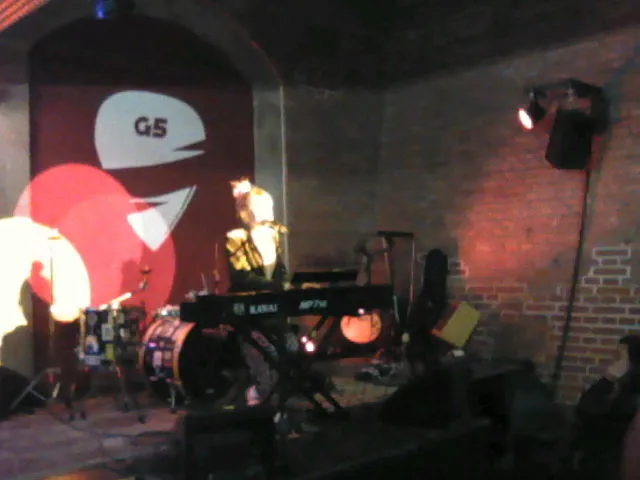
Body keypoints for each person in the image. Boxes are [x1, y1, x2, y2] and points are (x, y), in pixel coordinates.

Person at [225, 178, 290, 406]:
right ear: (247, 210)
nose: (267, 210)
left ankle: (275, 404)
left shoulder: (274, 235)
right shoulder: (237, 238)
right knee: (263, 358)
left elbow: (278, 269)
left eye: (268, 205)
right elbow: (241, 276)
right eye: (261, 206)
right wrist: (274, 287)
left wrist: (287, 284)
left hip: (273, 309)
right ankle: (256, 399)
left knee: (288, 352)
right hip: (250, 311)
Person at [573, 334, 640, 479]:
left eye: (622, 356)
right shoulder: (621, 386)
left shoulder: (631, 392)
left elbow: (591, 412)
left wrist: (608, 379)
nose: (616, 360)